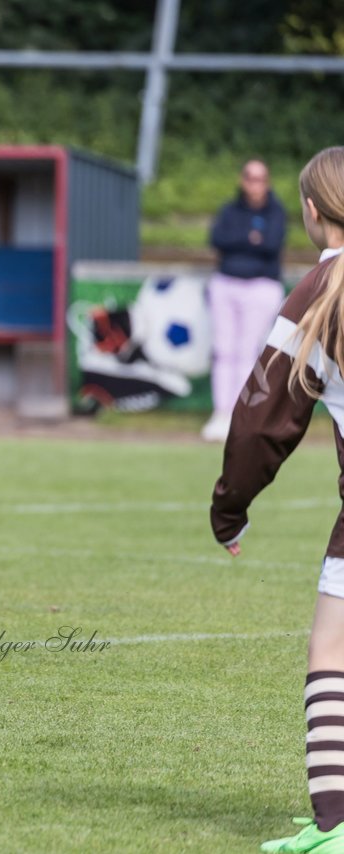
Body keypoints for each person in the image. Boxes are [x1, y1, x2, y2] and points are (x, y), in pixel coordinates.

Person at [211, 146, 344, 854]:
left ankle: (338, 826)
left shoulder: (322, 290)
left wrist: (229, 506)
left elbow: (264, 418)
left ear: (312, 211)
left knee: (332, 655)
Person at [203, 158, 287, 442]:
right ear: (242, 180)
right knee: (224, 349)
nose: (254, 184)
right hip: (227, 284)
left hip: (260, 287)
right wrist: (250, 239)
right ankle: (221, 412)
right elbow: (217, 239)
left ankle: (241, 414)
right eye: (249, 177)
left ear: (267, 181)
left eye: (260, 178)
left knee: (247, 350)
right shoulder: (229, 210)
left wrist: (245, 241)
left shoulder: (276, 212)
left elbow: (271, 243)